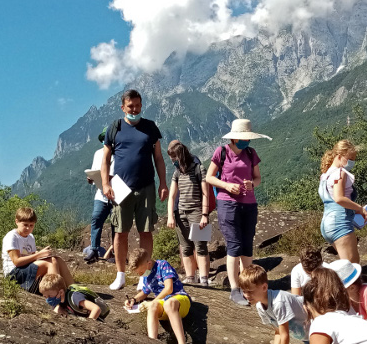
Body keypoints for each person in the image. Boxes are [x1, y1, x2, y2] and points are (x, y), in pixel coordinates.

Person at [100, 89, 168, 291]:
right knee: (120, 232)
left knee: (145, 231)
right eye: (130, 106)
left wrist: (163, 183)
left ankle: (144, 276)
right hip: (121, 188)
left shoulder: (150, 127)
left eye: (138, 105)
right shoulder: (115, 128)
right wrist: (105, 184)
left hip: (146, 186)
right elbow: (105, 159)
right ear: (123, 107)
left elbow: (158, 158)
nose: (134, 109)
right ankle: (120, 275)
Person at [205, 119, 270, 306]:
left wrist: (252, 184)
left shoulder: (251, 153)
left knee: (247, 245)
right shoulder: (222, 152)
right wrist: (226, 185)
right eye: (242, 139)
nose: (245, 142)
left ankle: (247, 286)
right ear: (233, 138)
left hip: (249, 204)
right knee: (234, 246)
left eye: (247, 139)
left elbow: (258, 178)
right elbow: (209, 177)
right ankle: (234, 289)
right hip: (228, 204)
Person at [239, 264, 309, 344]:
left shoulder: (279, 302)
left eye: (250, 291)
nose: (246, 296)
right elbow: (278, 331)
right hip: (307, 337)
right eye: (244, 292)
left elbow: (285, 335)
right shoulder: (260, 306)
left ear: (264, 287)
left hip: (319, 329)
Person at [124, 247, 190, 344]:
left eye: (141, 272)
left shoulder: (163, 265)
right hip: (163, 303)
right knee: (152, 307)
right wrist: (134, 300)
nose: (141, 275)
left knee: (169, 303)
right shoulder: (146, 274)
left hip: (178, 299)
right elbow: (145, 292)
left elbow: (169, 288)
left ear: (149, 263)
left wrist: (153, 301)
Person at [166, 140, 211, 285]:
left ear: (181, 155)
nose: (173, 161)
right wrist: (171, 216)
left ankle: (203, 279)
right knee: (185, 248)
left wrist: (204, 215)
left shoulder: (199, 169)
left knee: (200, 246)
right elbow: (172, 196)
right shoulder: (177, 172)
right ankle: (190, 278)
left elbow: (206, 193)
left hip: (196, 212)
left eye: (174, 158)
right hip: (181, 214)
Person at [2, 207, 74, 294]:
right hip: (14, 274)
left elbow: (31, 256)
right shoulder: (12, 236)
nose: (28, 228)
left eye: (31, 225)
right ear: (17, 222)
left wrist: (42, 255)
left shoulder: (30, 237)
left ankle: (72, 291)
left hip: (25, 269)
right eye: (25, 225)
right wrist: (39, 255)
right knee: (50, 262)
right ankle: (55, 296)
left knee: (57, 260)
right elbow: (16, 261)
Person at [318, 140, 367, 264]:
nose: (352, 162)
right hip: (340, 223)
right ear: (339, 156)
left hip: (327, 224)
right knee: (352, 266)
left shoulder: (325, 175)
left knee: (345, 264)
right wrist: (360, 209)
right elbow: (339, 198)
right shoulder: (339, 173)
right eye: (350, 158)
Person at [84, 129, 115, 264]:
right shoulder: (98, 154)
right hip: (101, 194)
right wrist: (91, 178)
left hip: (116, 195)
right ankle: (94, 249)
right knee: (96, 219)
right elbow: (95, 171)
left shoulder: (120, 153)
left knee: (116, 224)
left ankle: (115, 252)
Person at [39, 273, 109, 320]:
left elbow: (96, 309)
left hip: (96, 320)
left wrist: (89, 325)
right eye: (45, 297)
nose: (48, 299)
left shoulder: (74, 297)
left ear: (61, 292)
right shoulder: (58, 302)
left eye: (50, 296)